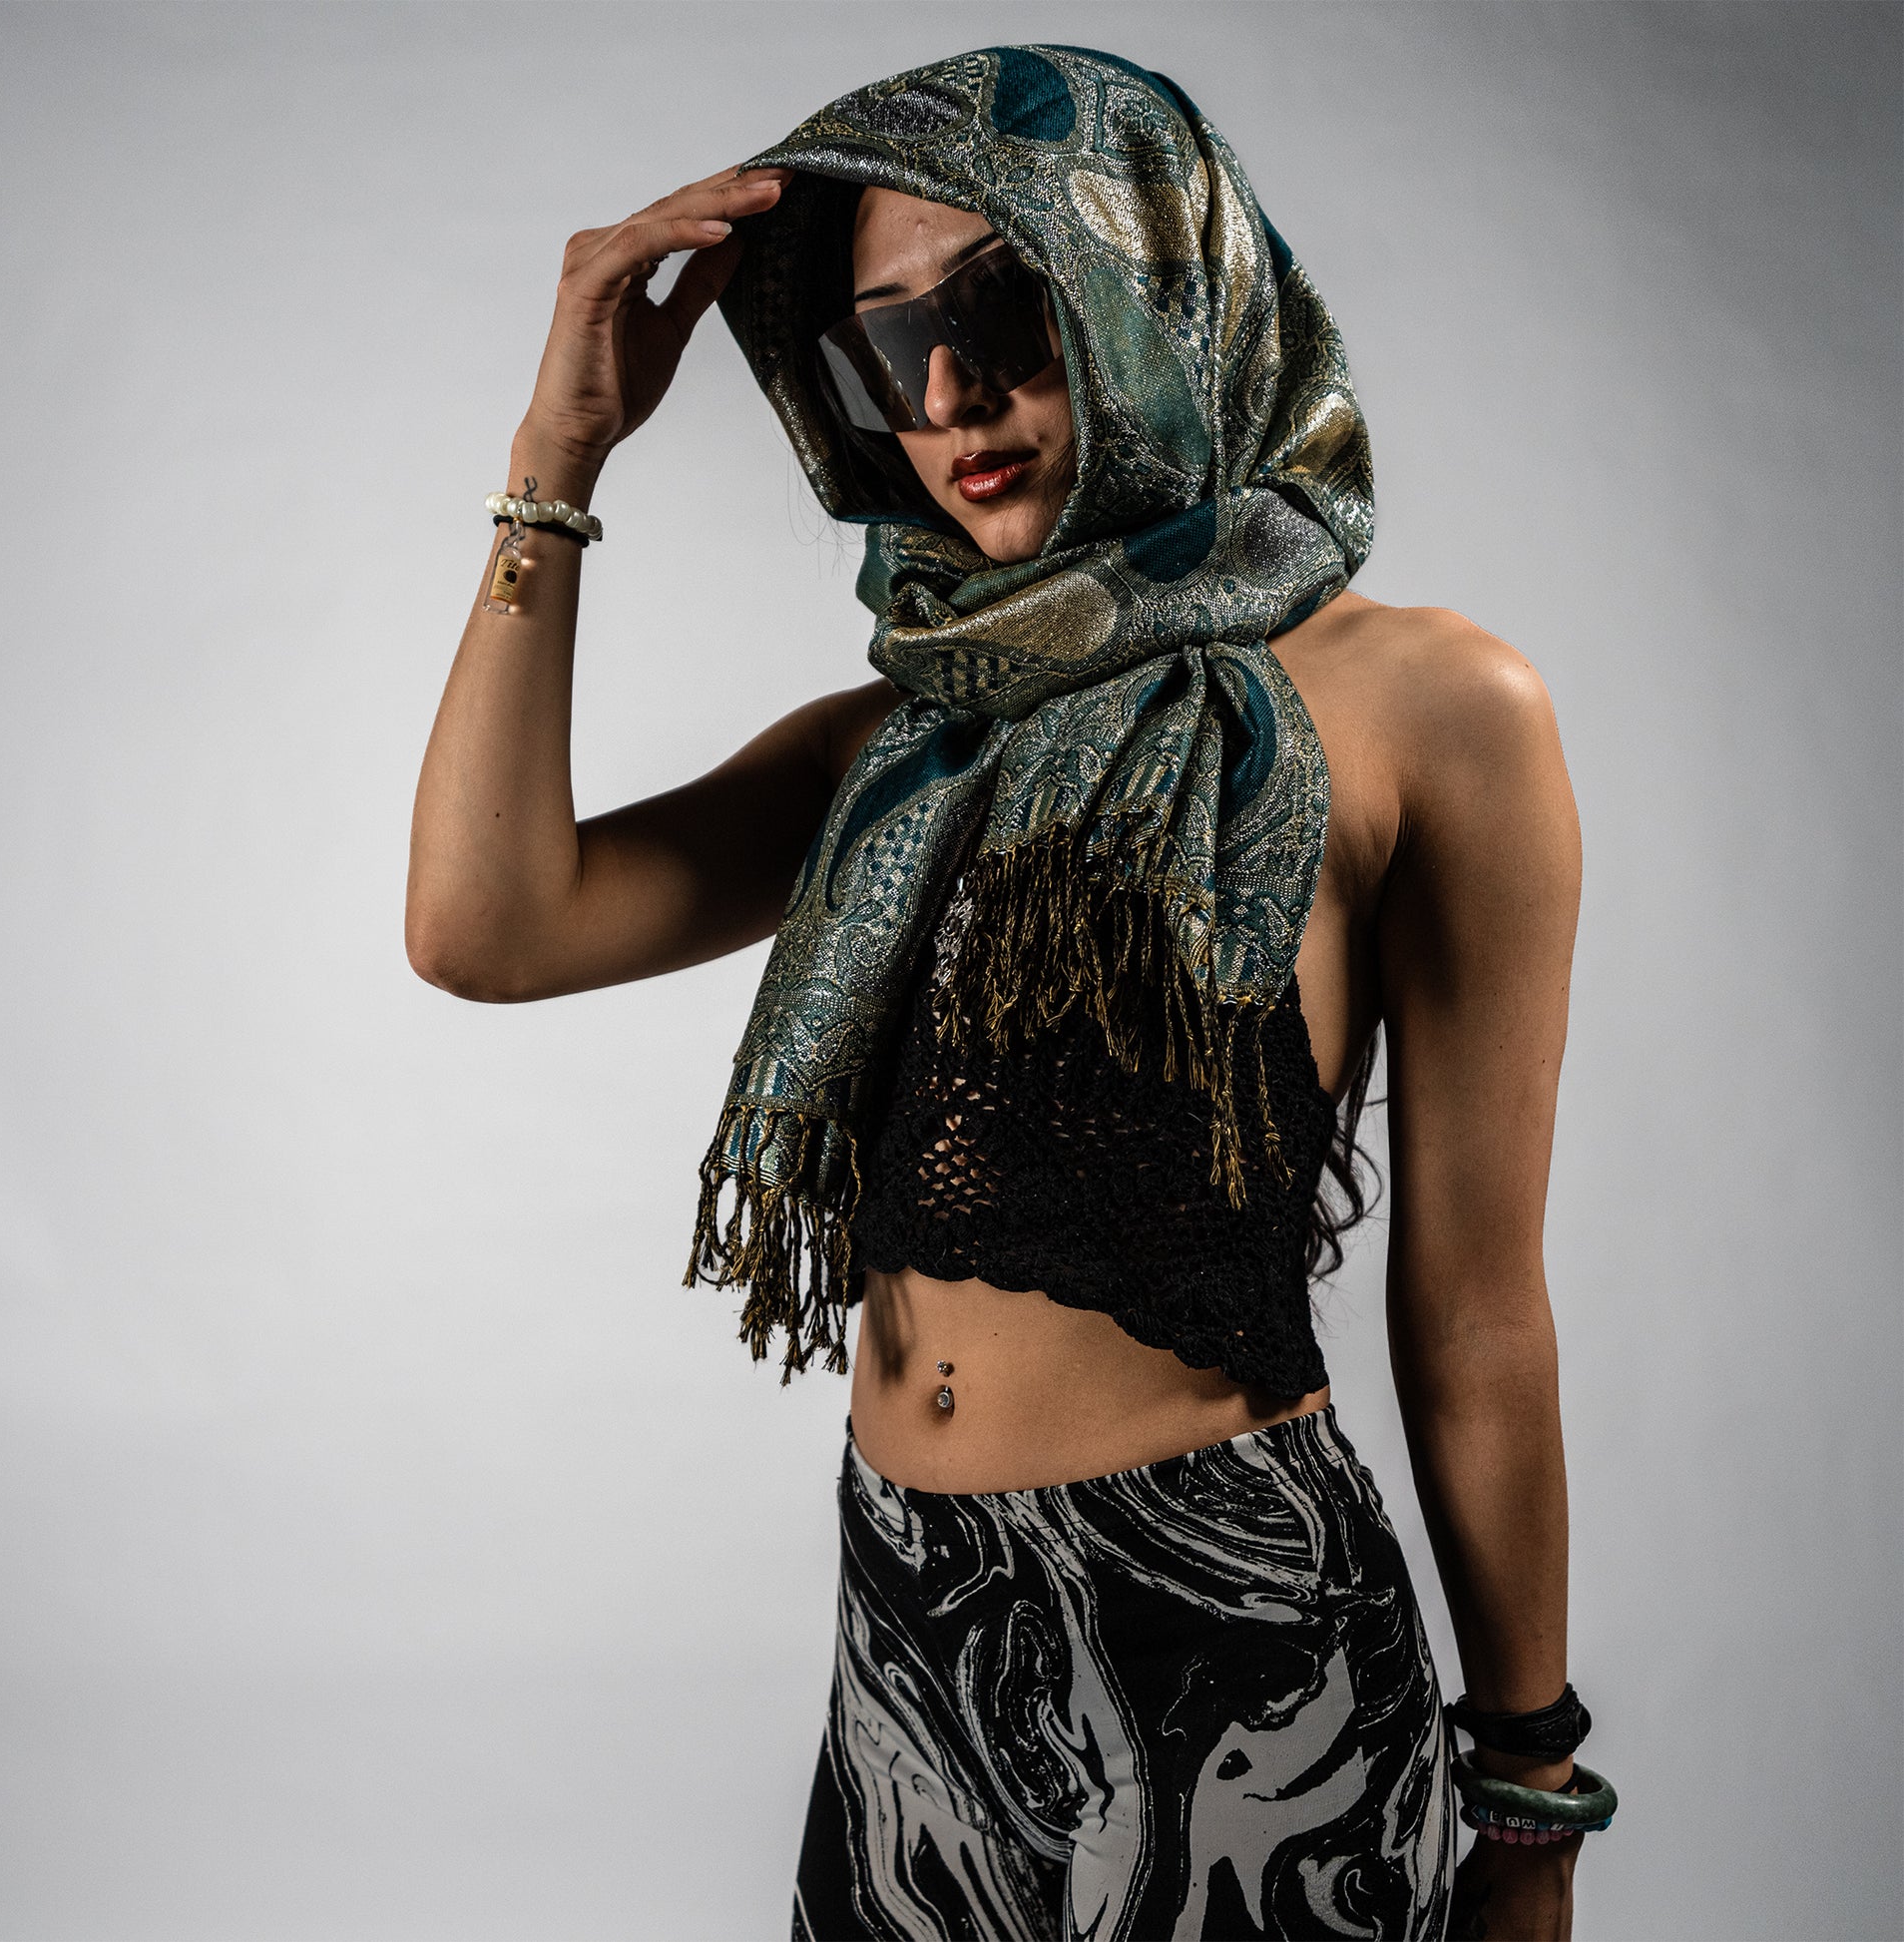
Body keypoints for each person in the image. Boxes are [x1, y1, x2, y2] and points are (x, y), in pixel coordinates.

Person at [407, 45, 1609, 1942]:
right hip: (914, 1648)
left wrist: (1529, 1800)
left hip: (1243, 1673)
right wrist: (554, 468)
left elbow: (1471, 1309)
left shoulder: (1432, 707)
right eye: (886, 351)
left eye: (999, 311)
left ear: (1150, 285)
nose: (950, 397)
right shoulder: (893, 744)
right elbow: (487, 924)